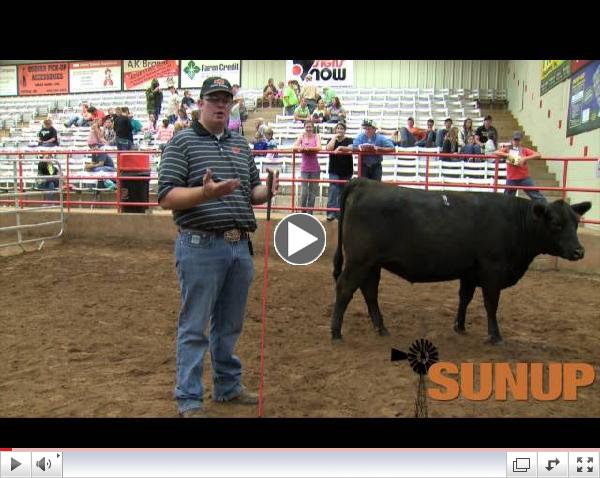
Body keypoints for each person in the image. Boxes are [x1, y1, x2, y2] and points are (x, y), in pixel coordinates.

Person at [157, 76, 279, 418]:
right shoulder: (181, 143)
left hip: (239, 246)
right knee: (195, 326)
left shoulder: (240, 144)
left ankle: (226, 386)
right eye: (215, 99)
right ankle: (189, 398)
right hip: (200, 244)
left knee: (229, 324)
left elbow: (251, 192)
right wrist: (204, 193)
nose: (222, 105)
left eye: (226, 100)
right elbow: (166, 196)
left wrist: (267, 191)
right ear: (201, 104)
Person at [494, 131, 547, 203]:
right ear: (512, 140)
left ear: (521, 141)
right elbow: (496, 152)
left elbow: (538, 155)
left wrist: (525, 158)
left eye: (518, 140)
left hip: (524, 178)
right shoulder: (508, 149)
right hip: (511, 179)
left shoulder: (524, 150)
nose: (516, 142)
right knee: (506, 199)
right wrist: (508, 155)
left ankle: (547, 208)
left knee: (537, 196)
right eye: (515, 140)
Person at [325, 122, 353, 221]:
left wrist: (340, 148)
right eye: (338, 129)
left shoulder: (349, 140)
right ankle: (331, 212)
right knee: (333, 190)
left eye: (342, 129)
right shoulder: (331, 140)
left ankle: (341, 213)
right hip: (334, 169)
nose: (340, 130)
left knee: (344, 192)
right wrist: (334, 138)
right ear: (335, 130)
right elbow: (329, 148)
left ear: (345, 130)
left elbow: (351, 149)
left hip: (346, 170)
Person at [293, 120, 321, 214]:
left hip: (315, 168)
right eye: (307, 127)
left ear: (313, 128)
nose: (309, 128)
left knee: (312, 193)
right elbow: (294, 147)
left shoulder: (316, 136)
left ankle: (310, 213)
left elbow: (319, 147)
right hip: (304, 168)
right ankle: (303, 212)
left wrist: (308, 149)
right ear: (304, 128)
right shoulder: (301, 136)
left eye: (310, 127)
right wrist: (300, 148)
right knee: (304, 192)